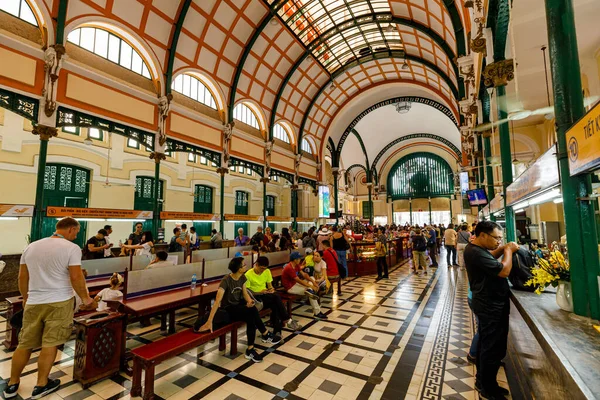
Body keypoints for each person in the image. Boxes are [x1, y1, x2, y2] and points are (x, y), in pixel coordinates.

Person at [4, 217, 97, 399]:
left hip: (34, 301)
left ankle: (12, 384)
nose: (76, 235)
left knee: (25, 344)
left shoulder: (31, 247)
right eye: (76, 232)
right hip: (60, 301)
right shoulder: (72, 248)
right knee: (50, 343)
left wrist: (26, 298)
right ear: (70, 229)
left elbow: (22, 277)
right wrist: (86, 299)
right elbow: (76, 277)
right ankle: (41, 385)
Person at [464, 221, 519, 400]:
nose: (498, 241)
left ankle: (483, 381)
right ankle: (488, 388)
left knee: (487, 345)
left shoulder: (476, 250)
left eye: (500, 238)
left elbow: (490, 258)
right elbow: (503, 271)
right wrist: (509, 251)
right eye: (496, 238)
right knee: (491, 347)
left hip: (489, 302)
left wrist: (502, 249)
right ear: (482, 236)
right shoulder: (474, 252)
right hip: (489, 305)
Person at [197, 257, 274, 362]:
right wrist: (209, 321)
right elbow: (217, 301)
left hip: (238, 306)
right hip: (228, 309)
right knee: (251, 313)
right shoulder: (226, 280)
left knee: (251, 313)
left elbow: (245, 293)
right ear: (239, 268)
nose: (246, 266)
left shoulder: (242, 278)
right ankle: (262, 337)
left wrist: (249, 301)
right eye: (244, 265)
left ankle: (251, 347)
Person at [245, 256, 302, 341]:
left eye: (264, 269)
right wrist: (260, 292)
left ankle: (277, 332)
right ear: (256, 265)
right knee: (276, 299)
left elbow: (270, 286)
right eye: (261, 268)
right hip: (256, 298)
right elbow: (247, 293)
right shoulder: (248, 274)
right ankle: (286, 320)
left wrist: (271, 289)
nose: (263, 271)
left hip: (266, 295)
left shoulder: (267, 271)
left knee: (276, 302)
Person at [282, 252, 327, 319]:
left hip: (295, 284)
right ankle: (317, 313)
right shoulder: (289, 268)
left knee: (312, 278)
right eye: (299, 258)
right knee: (310, 292)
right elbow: (299, 281)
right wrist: (311, 286)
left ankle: (310, 291)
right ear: (295, 260)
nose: (300, 260)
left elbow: (304, 275)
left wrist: (313, 282)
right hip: (290, 288)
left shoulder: (296, 265)